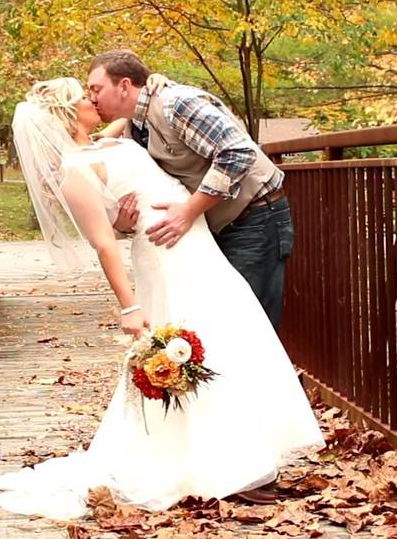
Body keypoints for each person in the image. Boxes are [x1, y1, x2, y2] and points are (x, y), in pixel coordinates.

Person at [0, 78, 322, 520]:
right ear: (69, 115)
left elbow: (134, 108)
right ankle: (233, 469)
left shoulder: (110, 141)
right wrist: (130, 307)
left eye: (94, 91)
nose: (92, 100)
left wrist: (155, 83)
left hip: (201, 251)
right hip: (168, 263)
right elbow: (105, 243)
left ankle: (246, 455)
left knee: (235, 345)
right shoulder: (75, 172)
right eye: (83, 98)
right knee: (201, 353)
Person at [86, 50, 293, 330]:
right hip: (214, 228)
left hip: (255, 219)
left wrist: (189, 210)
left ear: (124, 86)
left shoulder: (175, 103)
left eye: (96, 89)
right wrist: (124, 223)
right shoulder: (135, 125)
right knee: (219, 327)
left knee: (249, 329)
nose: (92, 98)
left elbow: (236, 153)